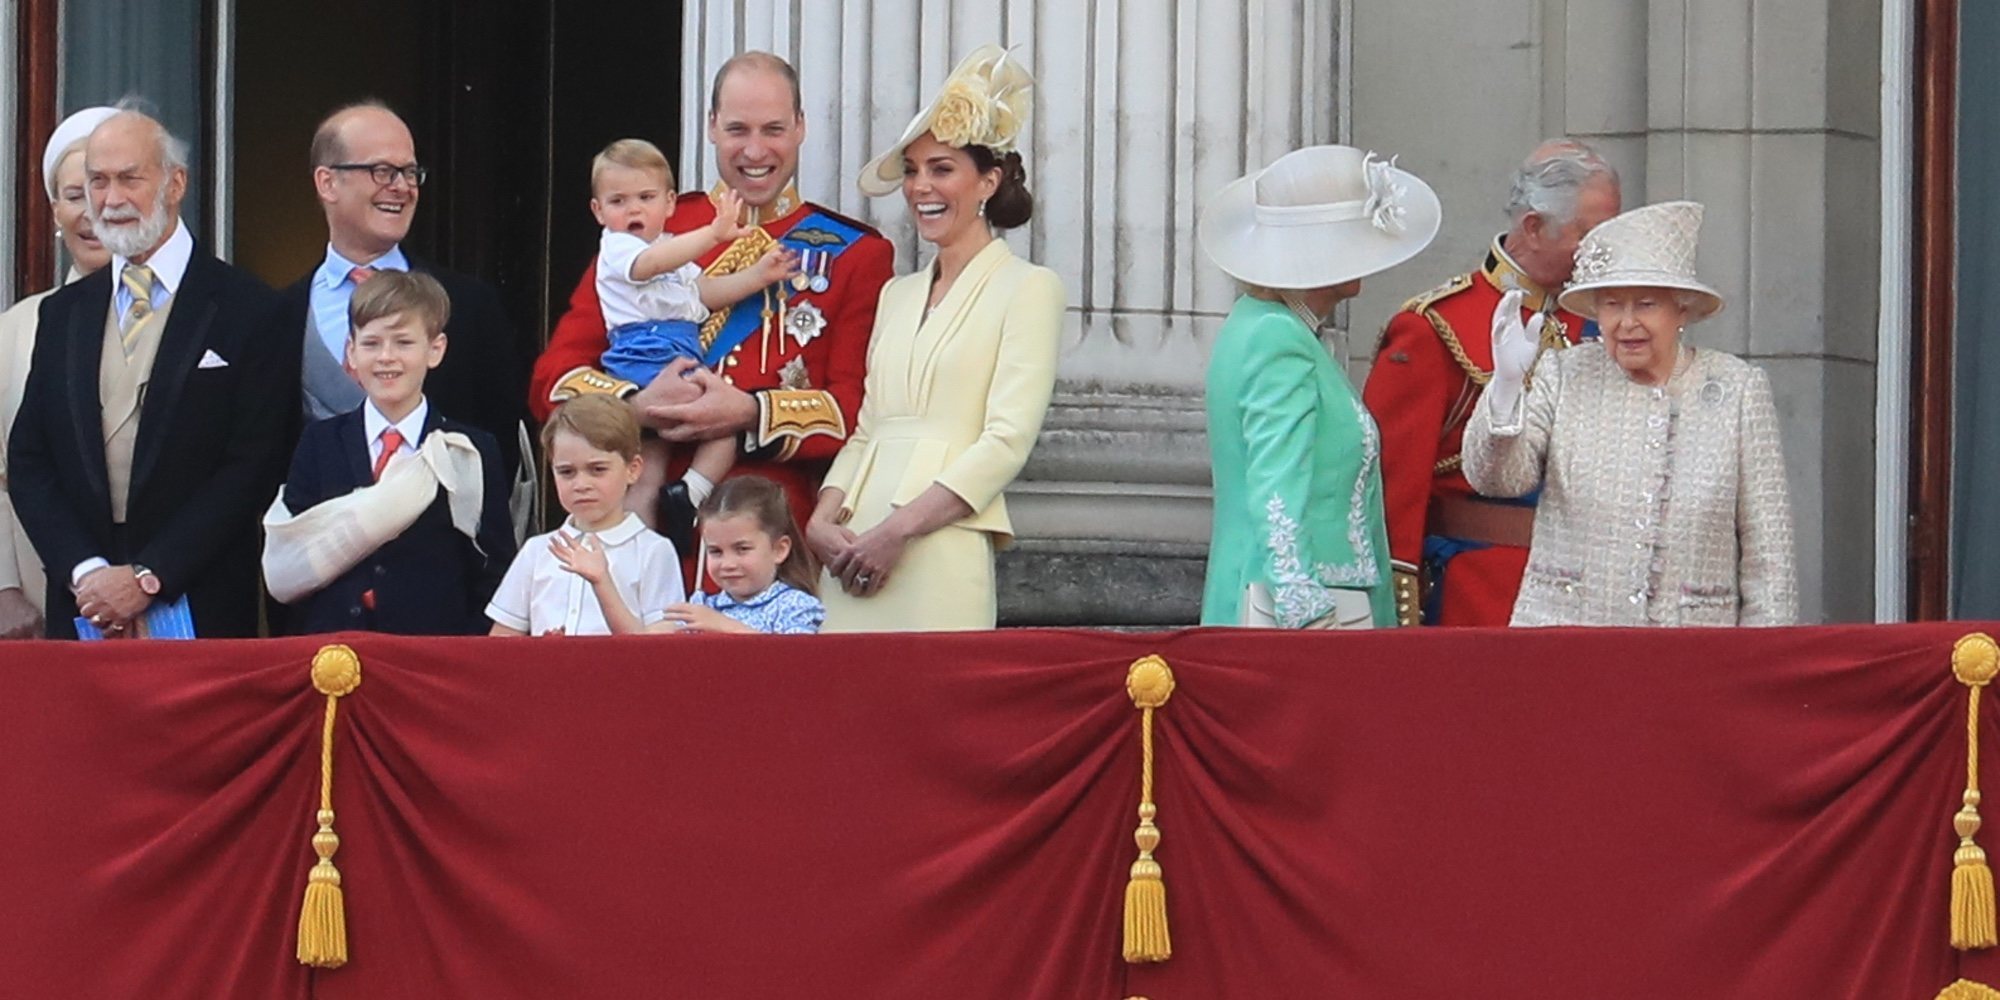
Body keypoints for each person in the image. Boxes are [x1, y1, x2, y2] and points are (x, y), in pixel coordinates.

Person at [530, 51, 895, 546]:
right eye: (738, 129)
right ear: (711, 127)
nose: (755, 150)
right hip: (638, 528)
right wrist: (634, 407)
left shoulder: (855, 254)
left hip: (770, 544)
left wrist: (749, 414)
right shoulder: (651, 227)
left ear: (801, 127)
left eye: (773, 129)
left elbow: (850, 412)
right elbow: (554, 377)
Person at [806, 44, 1063, 632]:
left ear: (987, 182)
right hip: (852, 546)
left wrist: (897, 533)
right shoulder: (896, 293)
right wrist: (822, 519)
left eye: (942, 168)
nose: (922, 186)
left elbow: (1004, 442)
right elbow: (869, 428)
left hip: (938, 540)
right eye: (914, 170)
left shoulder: (1030, 288)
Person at [8, 107, 291, 638]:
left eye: (129, 178)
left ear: (175, 182)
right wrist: (85, 571)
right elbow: (30, 458)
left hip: (201, 605)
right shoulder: (64, 314)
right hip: (82, 607)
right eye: (97, 181)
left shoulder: (248, 308)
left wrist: (150, 575)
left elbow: (254, 464)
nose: (111, 200)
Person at [1462, 201, 1797, 626]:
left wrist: (1764, 668)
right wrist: (1506, 387)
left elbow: (1770, 556)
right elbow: (1498, 479)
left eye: (1645, 304)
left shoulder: (1737, 389)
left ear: (1682, 310)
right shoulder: (1565, 373)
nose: (1626, 322)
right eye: (1612, 304)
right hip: (1568, 644)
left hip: (1694, 653)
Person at [1363, 139, 1620, 626]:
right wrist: (1399, 615)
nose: (1606, 252)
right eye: (1592, 235)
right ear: (1533, 227)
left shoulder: (1610, 325)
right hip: (1477, 594)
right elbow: (1395, 492)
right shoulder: (1433, 325)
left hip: (1591, 592)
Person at [1197, 144, 1441, 629]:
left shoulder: (1269, 326)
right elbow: (1276, 487)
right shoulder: (1276, 337)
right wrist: (1303, 609)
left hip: (1317, 599)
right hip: (1307, 609)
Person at [279, 102, 527, 486]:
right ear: (327, 182)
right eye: (382, 171)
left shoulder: (470, 305)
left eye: (410, 172)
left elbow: (499, 446)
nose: (402, 186)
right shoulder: (279, 316)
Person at [264, 272, 516, 635]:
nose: (386, 358)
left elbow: (493, 571)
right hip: (332, 658)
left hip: (433, 659)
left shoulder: (469, 450)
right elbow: (293, 563)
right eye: (371, 344)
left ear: (435, 349)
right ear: (350, 351)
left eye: (403, 343)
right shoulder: (319, 443)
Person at [586, 138, 798, 541]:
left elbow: (702, 296)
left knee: (647, 473)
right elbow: (649, 266)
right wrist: (713, 234)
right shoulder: (618, 248)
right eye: (618, 201)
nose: (633, 209)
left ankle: (651, 539)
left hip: (675, 349)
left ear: (669, 204)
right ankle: (692, 493)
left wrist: (758, 277)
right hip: (646, 352)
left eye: (645, 197)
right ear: (598, 211)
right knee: (722, 423)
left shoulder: (670, 249)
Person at [0, 106, 118, 640]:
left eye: (104, 190)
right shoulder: (16, 328)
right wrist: (3, 590)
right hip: (33, 591)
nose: (93, 211)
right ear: (54, 210)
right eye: (75, 195)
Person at [487, 395, 685, 636]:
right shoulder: (536, 551)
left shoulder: (654, 551)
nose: (581, 484)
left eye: (597, 469)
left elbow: (660, 651)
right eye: (567, 472)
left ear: (632, 469)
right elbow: (503, 639)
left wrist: (603, 583)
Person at [662, 475, 824, 634]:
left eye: (742, 549)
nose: (728, 564)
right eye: (716, 551)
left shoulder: (795, 606)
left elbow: (794, 658)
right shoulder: (702, 606)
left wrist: (726, 627)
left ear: (779, 550)